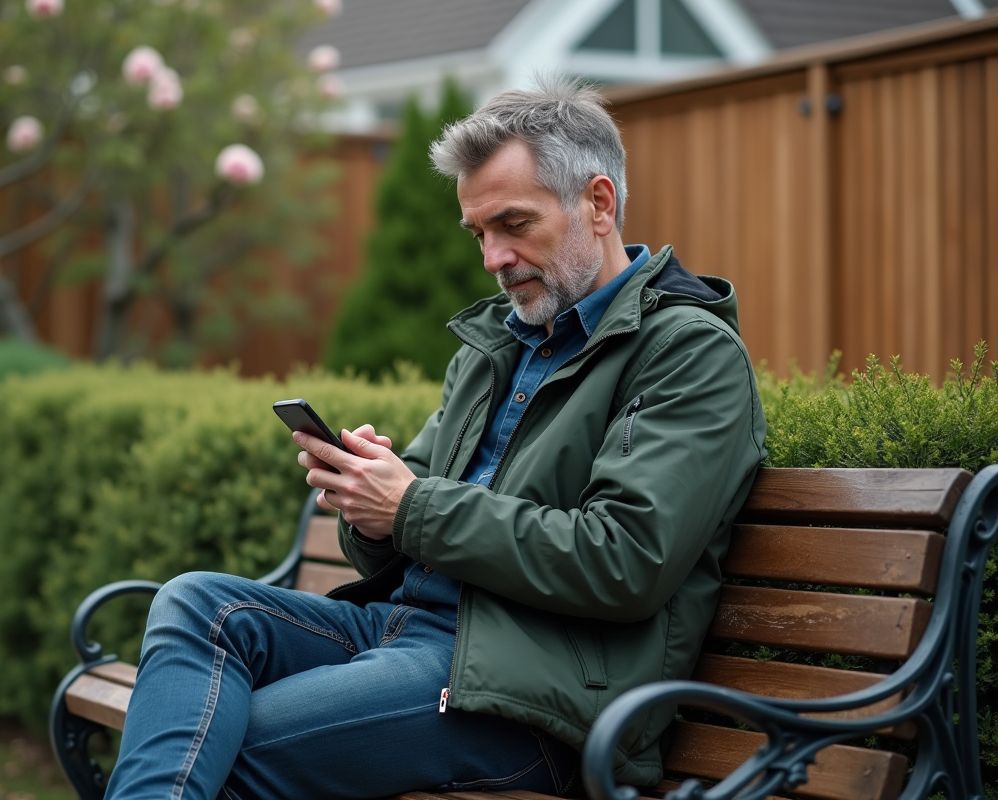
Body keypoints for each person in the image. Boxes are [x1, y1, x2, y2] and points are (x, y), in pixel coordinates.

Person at [105, 76, 766, 800]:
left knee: (217, 746)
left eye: (514, 224)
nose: (493, 258)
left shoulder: (685, 352)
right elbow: (405, 519)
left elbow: (626, 560)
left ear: (598, 203)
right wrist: (367, 497)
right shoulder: (496, 349)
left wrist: (410, 505)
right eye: (479, 233)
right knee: (200, 605)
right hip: (401, 634)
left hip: (528, 696)